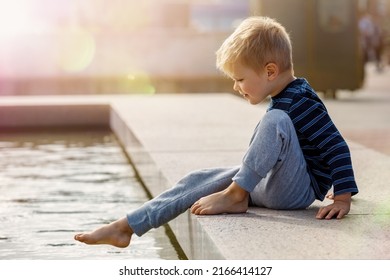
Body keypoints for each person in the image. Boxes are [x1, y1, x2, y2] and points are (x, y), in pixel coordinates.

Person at [74, 16, 359, 248]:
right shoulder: (286, 96)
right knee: (197, 179)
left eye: (240, 79)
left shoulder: (300, 101)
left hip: (295, 193)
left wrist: (344, 197)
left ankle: (236, 194)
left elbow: (336, 146)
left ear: (270, 72)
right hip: (274, 186)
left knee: (276, 122)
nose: (237, 87)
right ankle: (127, 227)